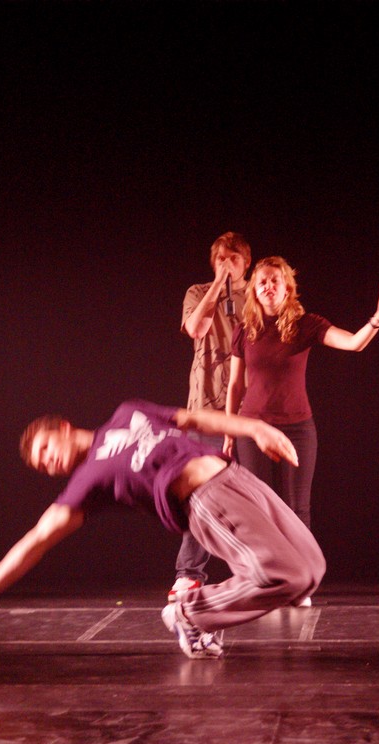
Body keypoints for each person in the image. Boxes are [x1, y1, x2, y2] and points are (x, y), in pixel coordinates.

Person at [0, 399, 326, 660]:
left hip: (234, 476)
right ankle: (189, 614)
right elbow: (39, 537)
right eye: (42, 467)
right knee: (286, 575)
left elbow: (193, 419)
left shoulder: (128, 411)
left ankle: (197, 616)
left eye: (44, 449)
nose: (48, 463)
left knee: (311, 570)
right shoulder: (87, 482)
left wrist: (254, 428)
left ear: (63, 428)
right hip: (205, 500)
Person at [225, 255, 379, 557]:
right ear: (254, 290)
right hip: (253, 430)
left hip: (297, 428)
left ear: (287, 288)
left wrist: (378, 316)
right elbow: (234, 386)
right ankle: (265, 572)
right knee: (258, 505)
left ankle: (302, 572)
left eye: (275, 280)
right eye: (262, 282)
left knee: (297, 507)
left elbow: (353, 343)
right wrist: (229, 432)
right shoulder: (244, 330)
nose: (268, 286)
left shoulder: (306, 325)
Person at [170, 231, 251, 602]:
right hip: (205, 408)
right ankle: (189, 573)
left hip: (250, 410)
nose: (227, 264)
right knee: (201, 493)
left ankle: (255, 570)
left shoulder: (258, 294)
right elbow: (196, 329)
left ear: (246, 262)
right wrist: (219, 284)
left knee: (250, 496)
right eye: (221, 258)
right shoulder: (198, 292)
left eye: (233, 258)